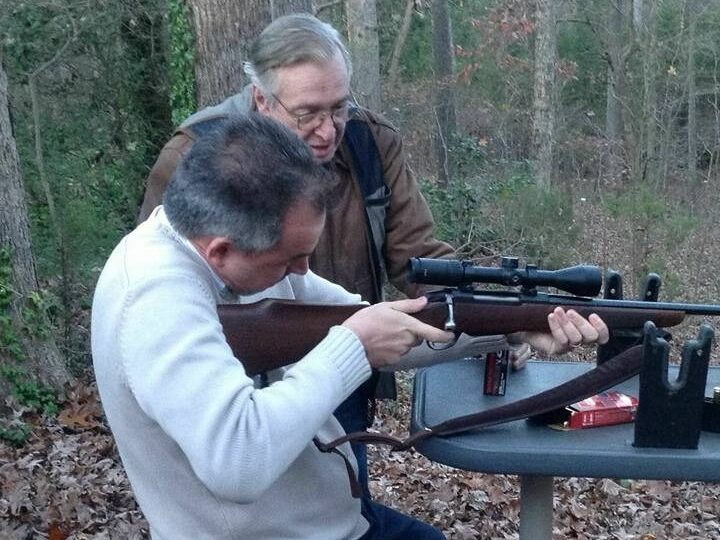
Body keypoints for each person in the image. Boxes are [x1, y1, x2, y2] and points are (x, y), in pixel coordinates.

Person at [94, 114, 608, 539]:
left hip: (334, 522)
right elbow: (238, 461)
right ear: (221, 251)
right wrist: (352, 349)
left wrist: (509, 327)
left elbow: (385, 324)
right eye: (290, 258)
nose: (302, 272)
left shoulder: (224, 250)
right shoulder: (156, 299)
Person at [136, 13, 528, 495]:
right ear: (261, 99)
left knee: (340, 502)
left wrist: (496, 318)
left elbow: (418, 257)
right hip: (238, 381)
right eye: (307, 114)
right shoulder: (197, 154)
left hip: (349, 364)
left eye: (339, 108)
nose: (328, 130)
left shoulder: (368, 142)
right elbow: (171, 286)